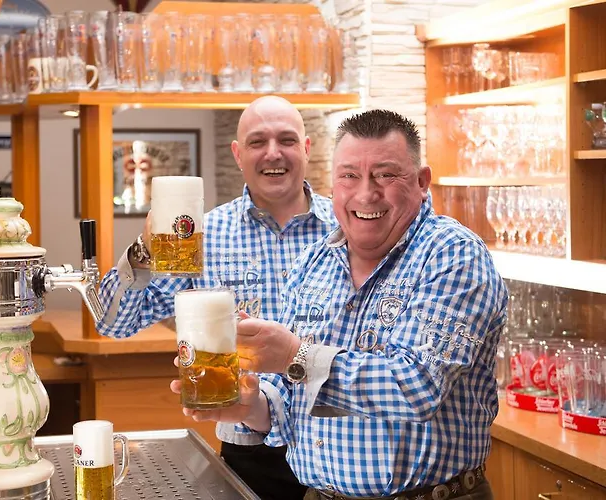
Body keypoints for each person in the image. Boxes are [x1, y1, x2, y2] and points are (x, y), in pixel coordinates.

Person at [175, 109, 508, 500]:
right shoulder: (312, 263)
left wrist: (294, 355)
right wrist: (250, 407)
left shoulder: (453, 255)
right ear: (333, 183)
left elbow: (417, 386)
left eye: (385, 175)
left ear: (421, 182)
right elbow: (292, 401)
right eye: (349, 176)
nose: (366, 194)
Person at [96, 95, 337, 500]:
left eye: (287, 140)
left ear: (307, 148)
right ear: (238, 154)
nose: (273, 153)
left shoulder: (346, 229)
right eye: (258, 142)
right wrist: (144, 249)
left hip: (338, 445)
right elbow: (114, 322)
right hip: (250, 450)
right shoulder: (203, 236)